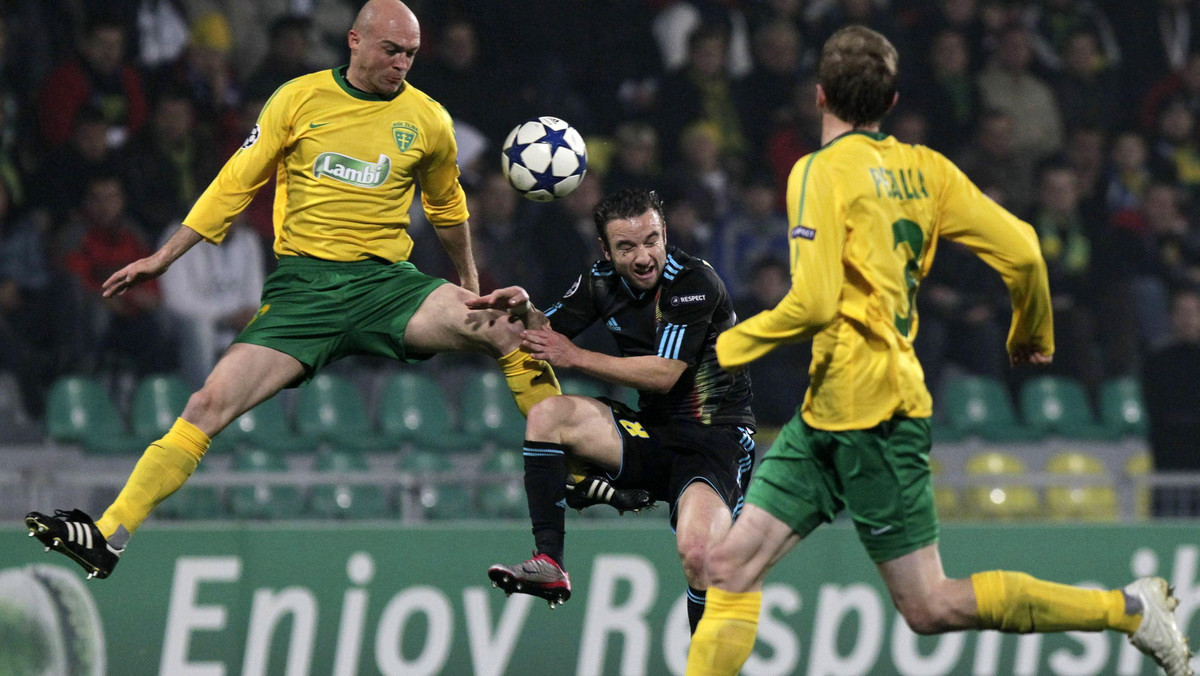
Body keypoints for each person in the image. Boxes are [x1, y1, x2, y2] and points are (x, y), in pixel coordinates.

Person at [685, 26, 1192, 676]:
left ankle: (1128, 610)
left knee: (930, 606)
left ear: (818, 97)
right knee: (728, 566)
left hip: (876, 418)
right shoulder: (927, 170)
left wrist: (721, 348)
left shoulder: (815, 172)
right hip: (826, 415)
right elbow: (1025, 251)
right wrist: (1031, 331)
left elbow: (810, 304)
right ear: (892, 101)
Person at [25, 0, 562, 581]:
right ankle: (108, 535)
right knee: (206, 406)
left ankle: (573, 468)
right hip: (304, 292)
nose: (401, 64)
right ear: (354, 41)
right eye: (391, 50)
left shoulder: (429, 119)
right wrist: (164, 256)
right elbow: (235, 181)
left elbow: (446, 207)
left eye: (410, 54)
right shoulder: (298, 98)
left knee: (511, 326)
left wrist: (470, 285)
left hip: (387, 287)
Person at [478, 188, 755, 635]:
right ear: (606, 251)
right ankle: (550, 560)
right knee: (548, 415)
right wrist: (524, 310)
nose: (644, 256)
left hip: (714, 439)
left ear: (665, 233)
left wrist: (577, 357)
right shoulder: (599, 281)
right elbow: (547, 336)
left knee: (699, 555)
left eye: (651, 240)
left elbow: (665, 375)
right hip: (651, 433)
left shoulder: (694, 284)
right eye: (627, 247)